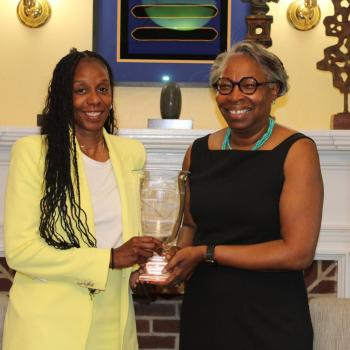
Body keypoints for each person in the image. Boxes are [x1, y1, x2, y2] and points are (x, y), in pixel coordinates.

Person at [163, 41, 324, 349]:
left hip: (271, 320)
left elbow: (298, 252)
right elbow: (189, 227)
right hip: (206, 316)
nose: (235, 96)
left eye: (249, 85)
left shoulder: (297, 151)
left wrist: (207, 253)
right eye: (225, 86)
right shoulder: (197, 152)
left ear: (274, 90)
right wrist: (172, 262)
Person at [3, 49, 162, 350]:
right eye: (81, 90)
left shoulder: (130, 154)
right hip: (48, 324)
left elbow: (126, 233)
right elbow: (21, 252)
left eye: (102, 89)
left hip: (114, 319)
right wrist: (111, 258)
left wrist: (140, 268)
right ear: (64, 96)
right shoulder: (34, 153)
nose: (94, 99)